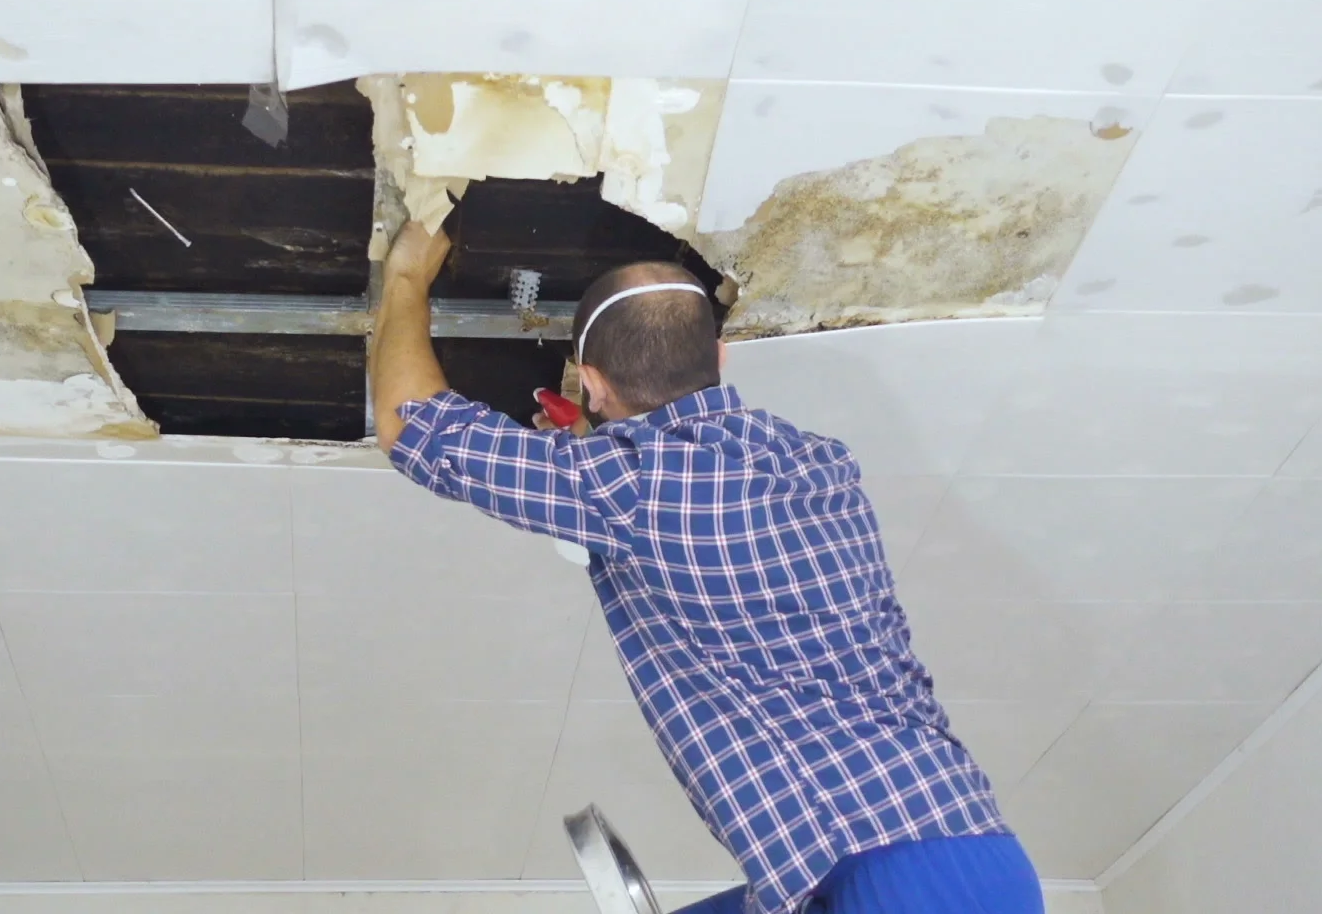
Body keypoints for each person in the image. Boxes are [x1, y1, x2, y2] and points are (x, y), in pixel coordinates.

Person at [370, 220, 1044, 914]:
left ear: (592, 385)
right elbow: (689, 509)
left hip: (888, 872)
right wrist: (593, 451)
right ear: (719, 359)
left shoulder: (622, 488)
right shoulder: (819, 463)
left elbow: (410, 424)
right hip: (942, 843)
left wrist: (407, 277)